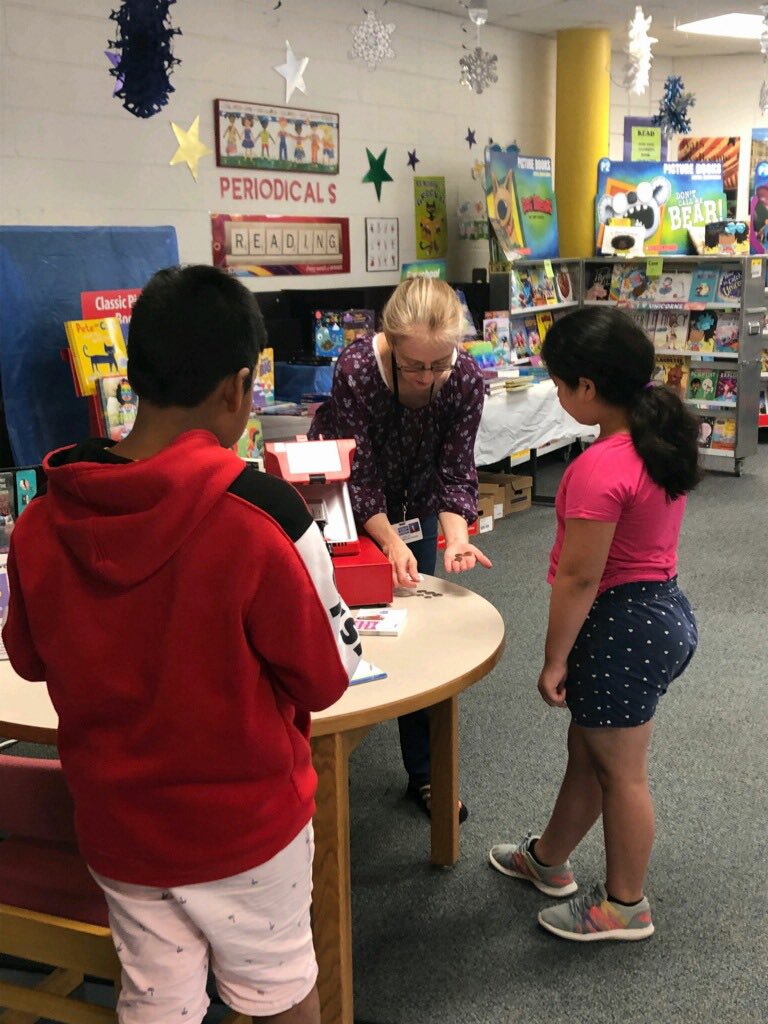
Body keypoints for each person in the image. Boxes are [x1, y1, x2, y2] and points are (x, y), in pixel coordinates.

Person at [3, 265, 362, 1024]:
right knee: (279, 997)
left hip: (119, 829)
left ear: (135, 373)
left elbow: (29, 658)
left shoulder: (42, 519)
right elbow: (329, 678)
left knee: (156, 1005)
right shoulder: (264, 516)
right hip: (248, 831)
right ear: (238, 388)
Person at [489, 305, 699, 942]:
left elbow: (579, 579)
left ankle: (625, 906)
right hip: (662, 611)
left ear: (587, 388)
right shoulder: (658, 433)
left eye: (558, 383)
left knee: (620, 772)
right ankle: (549, 861)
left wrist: (554, 659)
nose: (555, 394)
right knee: (589, 752)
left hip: (621, 627)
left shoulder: (598, 469)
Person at [308, 276, 492, 822]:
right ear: (390, 341)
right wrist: (386, 541)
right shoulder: (357, 370)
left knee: (422, 636)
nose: (429, 378)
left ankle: (425, 774)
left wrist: (456, 535)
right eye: (416, 366)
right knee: (338, 620)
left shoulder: (465, 379)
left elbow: (457, 471)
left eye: (441, 364)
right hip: (345, 504)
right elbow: (358, 480)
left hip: (417, 501)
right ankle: (321, 749)